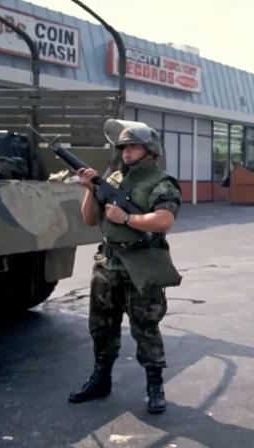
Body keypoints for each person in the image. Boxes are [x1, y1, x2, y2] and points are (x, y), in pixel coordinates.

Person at [68, 119, 182, 415]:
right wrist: (90, 189)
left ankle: (155, 386)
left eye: (133, 146)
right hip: (108, 263)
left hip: (142, 264)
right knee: (101, 326)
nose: (126, 151)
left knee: (145, 327)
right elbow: (89, 219)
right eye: (123, 147)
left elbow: (164, 220)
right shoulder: (114, 179)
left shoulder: (160, 182)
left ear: (150, 150)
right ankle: (100, 379)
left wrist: (127, 219)